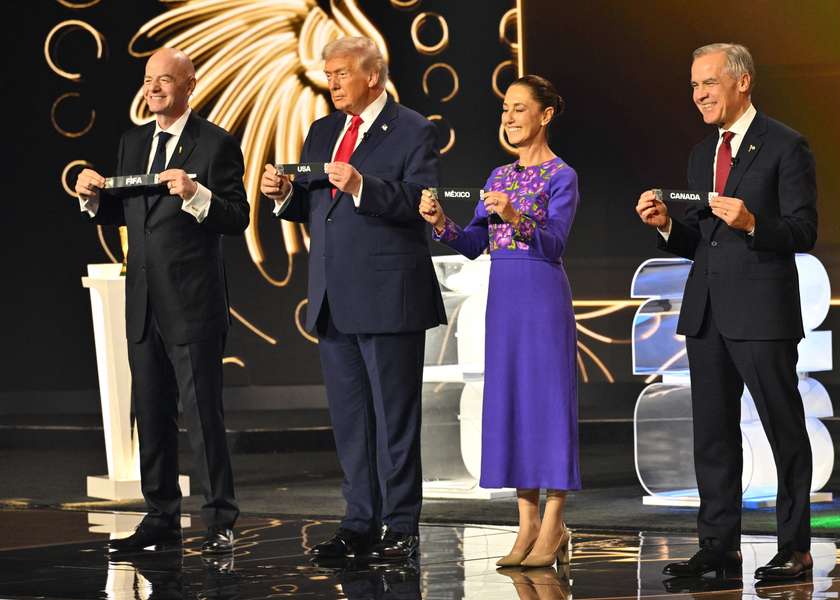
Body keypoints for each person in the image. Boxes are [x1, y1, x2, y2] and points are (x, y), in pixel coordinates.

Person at [635, 43, 818, 581]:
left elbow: (804, 231)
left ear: (742, 82)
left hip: (762, 313)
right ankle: (719, 548)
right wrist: (668, 225)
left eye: (708, 83)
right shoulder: (701, 155)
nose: (699, 95)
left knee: (784, 429)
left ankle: (795, 548)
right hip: (708, 314)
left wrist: (753, 222)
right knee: (712, 437)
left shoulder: (787, 146)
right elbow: (703, 241)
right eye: (693, 86)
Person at [260, 36, 446, 562]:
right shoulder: (322, 132)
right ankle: (358, 523)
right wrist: (284, 197)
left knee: (394, 418)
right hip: (333, 298)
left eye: (342, 73)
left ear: (374, 76)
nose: (332, 82)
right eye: (329, 74)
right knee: (351, 420)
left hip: (389, 296)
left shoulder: (412, 128)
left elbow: (421, 201)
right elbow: (317, 206)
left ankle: (400, 527)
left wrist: (365, 185)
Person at [74, 48, 248, 554]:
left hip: (194, 305)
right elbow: (130, 212)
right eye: (148, 80)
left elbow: (236, 217)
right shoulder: (133, 142)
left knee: (203, 416)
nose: (153, 89)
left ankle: (219, 520)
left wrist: (195, 194)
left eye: (164, 81)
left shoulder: (215, 144)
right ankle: (161, 516)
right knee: (151, 414)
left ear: (189, 85)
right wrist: (92, 196)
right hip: (143, 302)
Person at [420, 75, 580, 568]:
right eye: (504, 110)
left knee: (548, 407)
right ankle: (526, 522)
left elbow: (553, 244)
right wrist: (439, 221)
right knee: (511, 406)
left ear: (545, 115)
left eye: (518, 109)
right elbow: (473, 243)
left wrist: (514, 215)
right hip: (505, 303)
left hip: (543, 300)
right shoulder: (497, 176)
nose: (508, 118)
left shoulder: (561, 176)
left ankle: (555, 523)